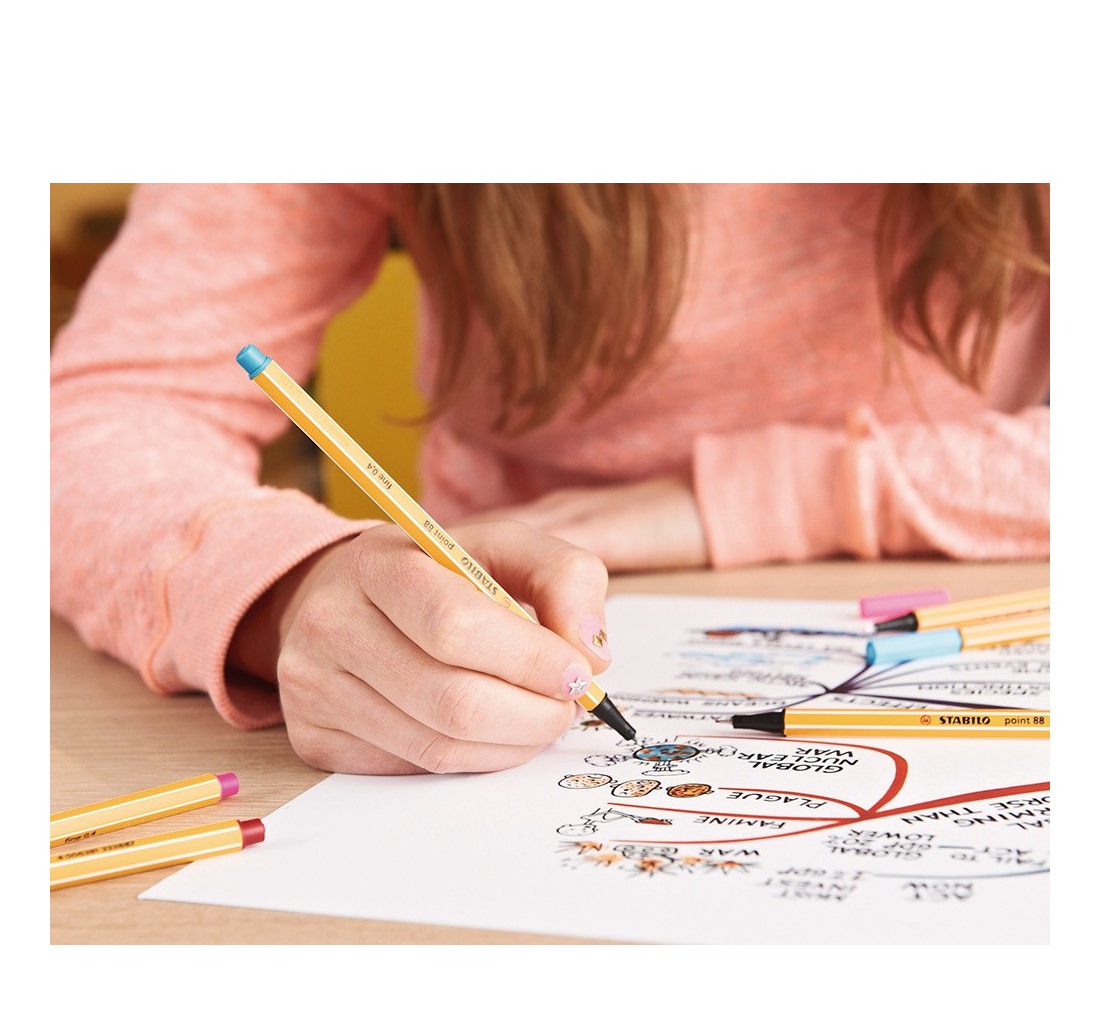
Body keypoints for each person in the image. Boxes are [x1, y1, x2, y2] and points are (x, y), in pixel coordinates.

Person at [50, 183, 1049, 775]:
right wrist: (284, 585)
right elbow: (97, 417)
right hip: (479, 646)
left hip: (957, 607)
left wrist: (754, 499)